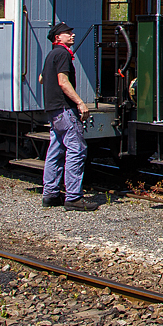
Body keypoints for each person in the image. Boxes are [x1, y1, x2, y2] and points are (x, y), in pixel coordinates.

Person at [40, 22, 100, 211]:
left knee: (55, 151)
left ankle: (50, 194)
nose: (72, 35)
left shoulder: (51, 54)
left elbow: (42, 78)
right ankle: (73, 197)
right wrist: (80, 103)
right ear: (58, 38)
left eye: (72, 33)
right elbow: (63, 81)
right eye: (67, 33)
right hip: (65, 109)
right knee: (77, 150)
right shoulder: (64, 54)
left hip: (53, 110)